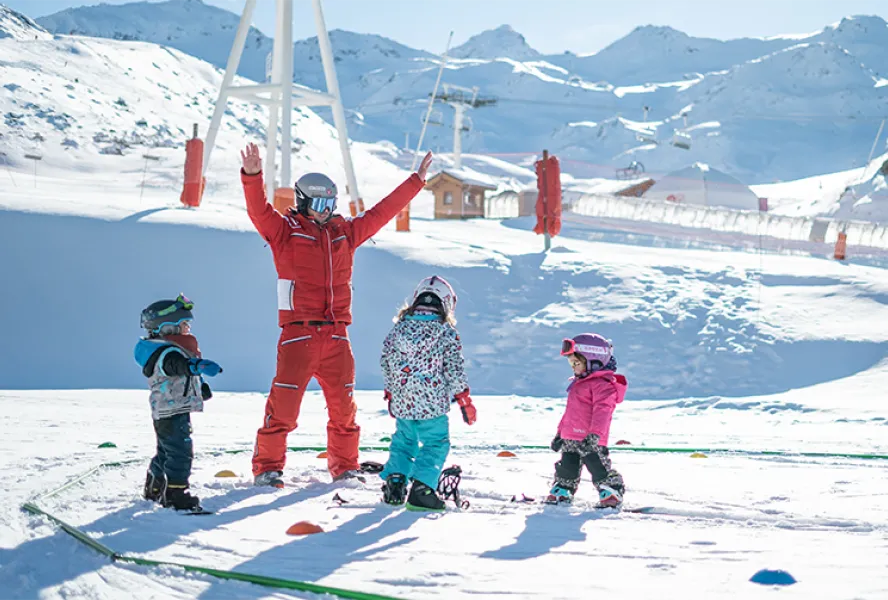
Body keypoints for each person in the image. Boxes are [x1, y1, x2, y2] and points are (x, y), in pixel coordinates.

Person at [240, 143, 433, 487]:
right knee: (283, 409)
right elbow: (258, 211)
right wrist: (253, 177)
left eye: (331, 204)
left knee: (344, 410)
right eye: (320, 205)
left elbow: (380, 213)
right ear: (303, 202)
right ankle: (268, 467)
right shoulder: (285, 233)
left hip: (337, 336)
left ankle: (345, 468)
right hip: (298, 335)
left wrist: (415, 182)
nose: (327, 212)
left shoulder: (344, 233)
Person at [378, 276, 475, 511]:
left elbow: (387, 362)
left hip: (404, 401)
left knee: (404, 442)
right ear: (446, 304)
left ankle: (395, 483)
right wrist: (464, 400)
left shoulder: (399, 328)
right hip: (432, 405)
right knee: (435, 443)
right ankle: (422, 489)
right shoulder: (445, 332)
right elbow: (453, 368)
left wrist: (391, 393)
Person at [134, 294, 223, 512]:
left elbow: (178, 375)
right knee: (180, 453)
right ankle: (176, 495)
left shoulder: (163, 349)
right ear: (167, 328)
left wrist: (200, 387)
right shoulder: (166, 352)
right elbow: (176, 366)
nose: (188, 330)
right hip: (171, 409)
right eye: (184, 325)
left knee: (166, 451)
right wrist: (197, 366)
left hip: (167, 408)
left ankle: (154, 486)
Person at [547, 333, 627, 507]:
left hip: (591, 439)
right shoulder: (578, 383)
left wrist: (595, 435)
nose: (573, 367)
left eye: (576, 363)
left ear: (594, 361)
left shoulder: (603, 386)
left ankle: (612, 489)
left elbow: (603, 412)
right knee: (567, 466)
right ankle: (563, 488)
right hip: (571, 436)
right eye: (571, 363)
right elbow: (570, 413)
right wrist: (560, 433)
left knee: (597, 466)